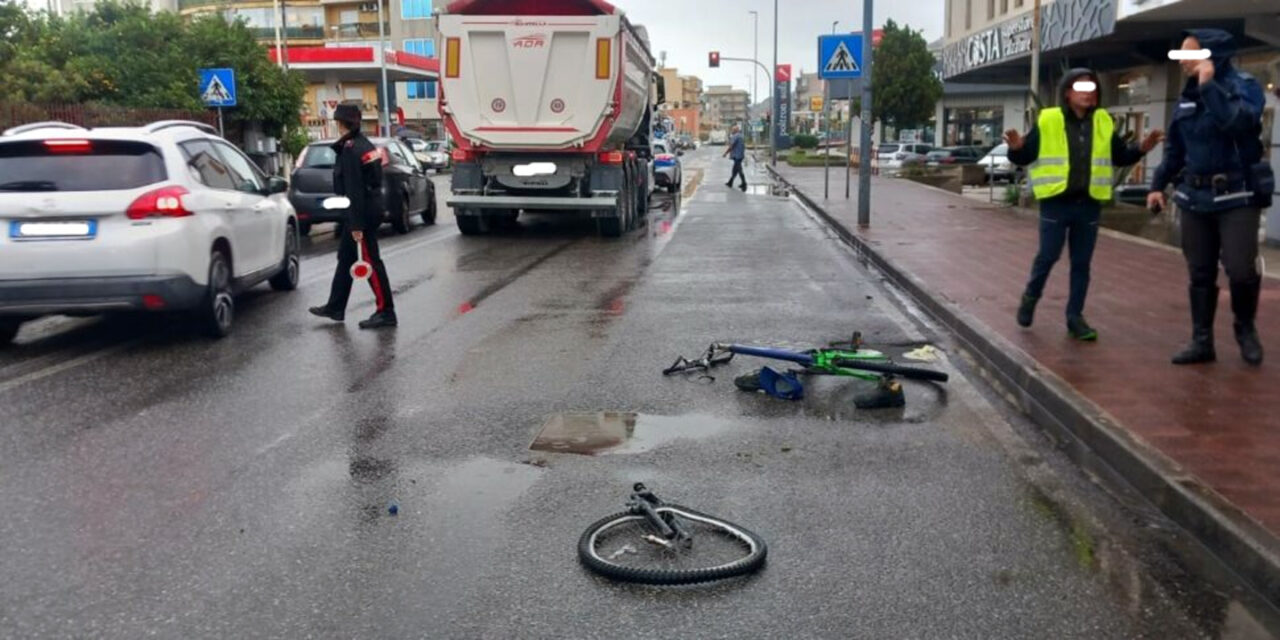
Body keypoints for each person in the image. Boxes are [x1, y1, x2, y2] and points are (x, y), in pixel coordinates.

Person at [1005, 68, 1163, 340]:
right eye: (1082, 88)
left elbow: (1120, 156)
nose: (1089, 93)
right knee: (1048, 255)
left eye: (1093, 89)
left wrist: (1142, 148)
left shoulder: (1103, 121)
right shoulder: (1049, 119)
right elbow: (1026, 155)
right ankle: (1030, 297)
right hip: (1056, 202)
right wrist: (1017, 148)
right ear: (1067, 92)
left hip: (1088, 203)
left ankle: (1075, 318)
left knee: (1081, 263)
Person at [1149, 29, 1270, 366]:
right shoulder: (1186, 98)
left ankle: (1245, 329)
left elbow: (1238, 123)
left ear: (1212, 55)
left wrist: (1208, 87)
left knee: (1240, 268)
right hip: (1195, 196)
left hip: (1237, 194)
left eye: (1189, 54)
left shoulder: (1244, 86)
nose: (1182, 61)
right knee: (1200, 271)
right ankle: (1202, 341)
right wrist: (1157, 185)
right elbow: (1175, 150)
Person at [309, 103, 398, 330]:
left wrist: (356, 225)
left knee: (370, 262)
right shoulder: (361, 144)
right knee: (346, 258)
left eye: (337, 122)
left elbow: (355, 189)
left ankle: (386, 311)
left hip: (361, 213)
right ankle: (335, 306)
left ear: (341, 123)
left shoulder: (351, 149)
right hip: (366, 209)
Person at [723, 125, 747, 191]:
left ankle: (744, 183)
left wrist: (725, 153)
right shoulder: (741, 136)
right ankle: (730, 182)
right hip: (740, 155)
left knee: (739, 170)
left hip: (737, 156)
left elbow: (731, 146)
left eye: (733, 130)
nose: (732, 131)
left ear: (735, 130)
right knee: (735, 170)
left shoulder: (735, 136)